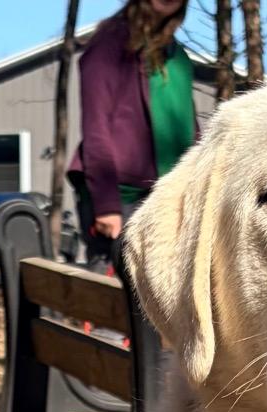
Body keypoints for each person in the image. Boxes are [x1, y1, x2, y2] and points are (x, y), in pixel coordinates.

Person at [68, 0, 196, 271]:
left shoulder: (177, 57)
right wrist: (106, 205)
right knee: (110, 296)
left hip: (169, 198)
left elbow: (190, 130)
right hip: (121, 197)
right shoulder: (110, 44)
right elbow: (96, 129)